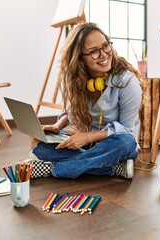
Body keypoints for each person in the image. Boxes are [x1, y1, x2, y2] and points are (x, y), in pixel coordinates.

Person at [27, 22, 143, 179]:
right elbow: (71, 109)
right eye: (94, 51)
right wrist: (57, 126)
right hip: (85, 142)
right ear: (79, 58)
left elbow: (127, 130)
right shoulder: (75, 79)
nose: (103, 54)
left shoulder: (127, 82)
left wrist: (88, 137)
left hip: (113, 143)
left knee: (126, 143)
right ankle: (112, 168)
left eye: (105, 46)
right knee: (38, 145)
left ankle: (53, 169)